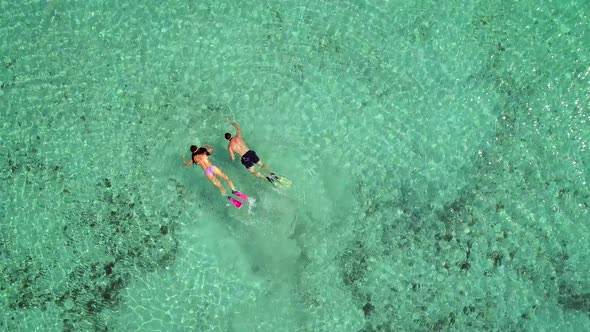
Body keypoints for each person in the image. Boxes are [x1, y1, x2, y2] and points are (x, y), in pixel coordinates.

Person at [182, 144, 247, 207]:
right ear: (197, 148)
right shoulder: (203, 152)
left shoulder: (193, 159)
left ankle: (228, 197)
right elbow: (212, 148)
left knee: (219, 186)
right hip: (212, 168)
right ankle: (234, 191)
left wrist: (183, 159)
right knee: (226, 178)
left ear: (192, 152)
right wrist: (206, 145)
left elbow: (186, 165)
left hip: (207, 172)